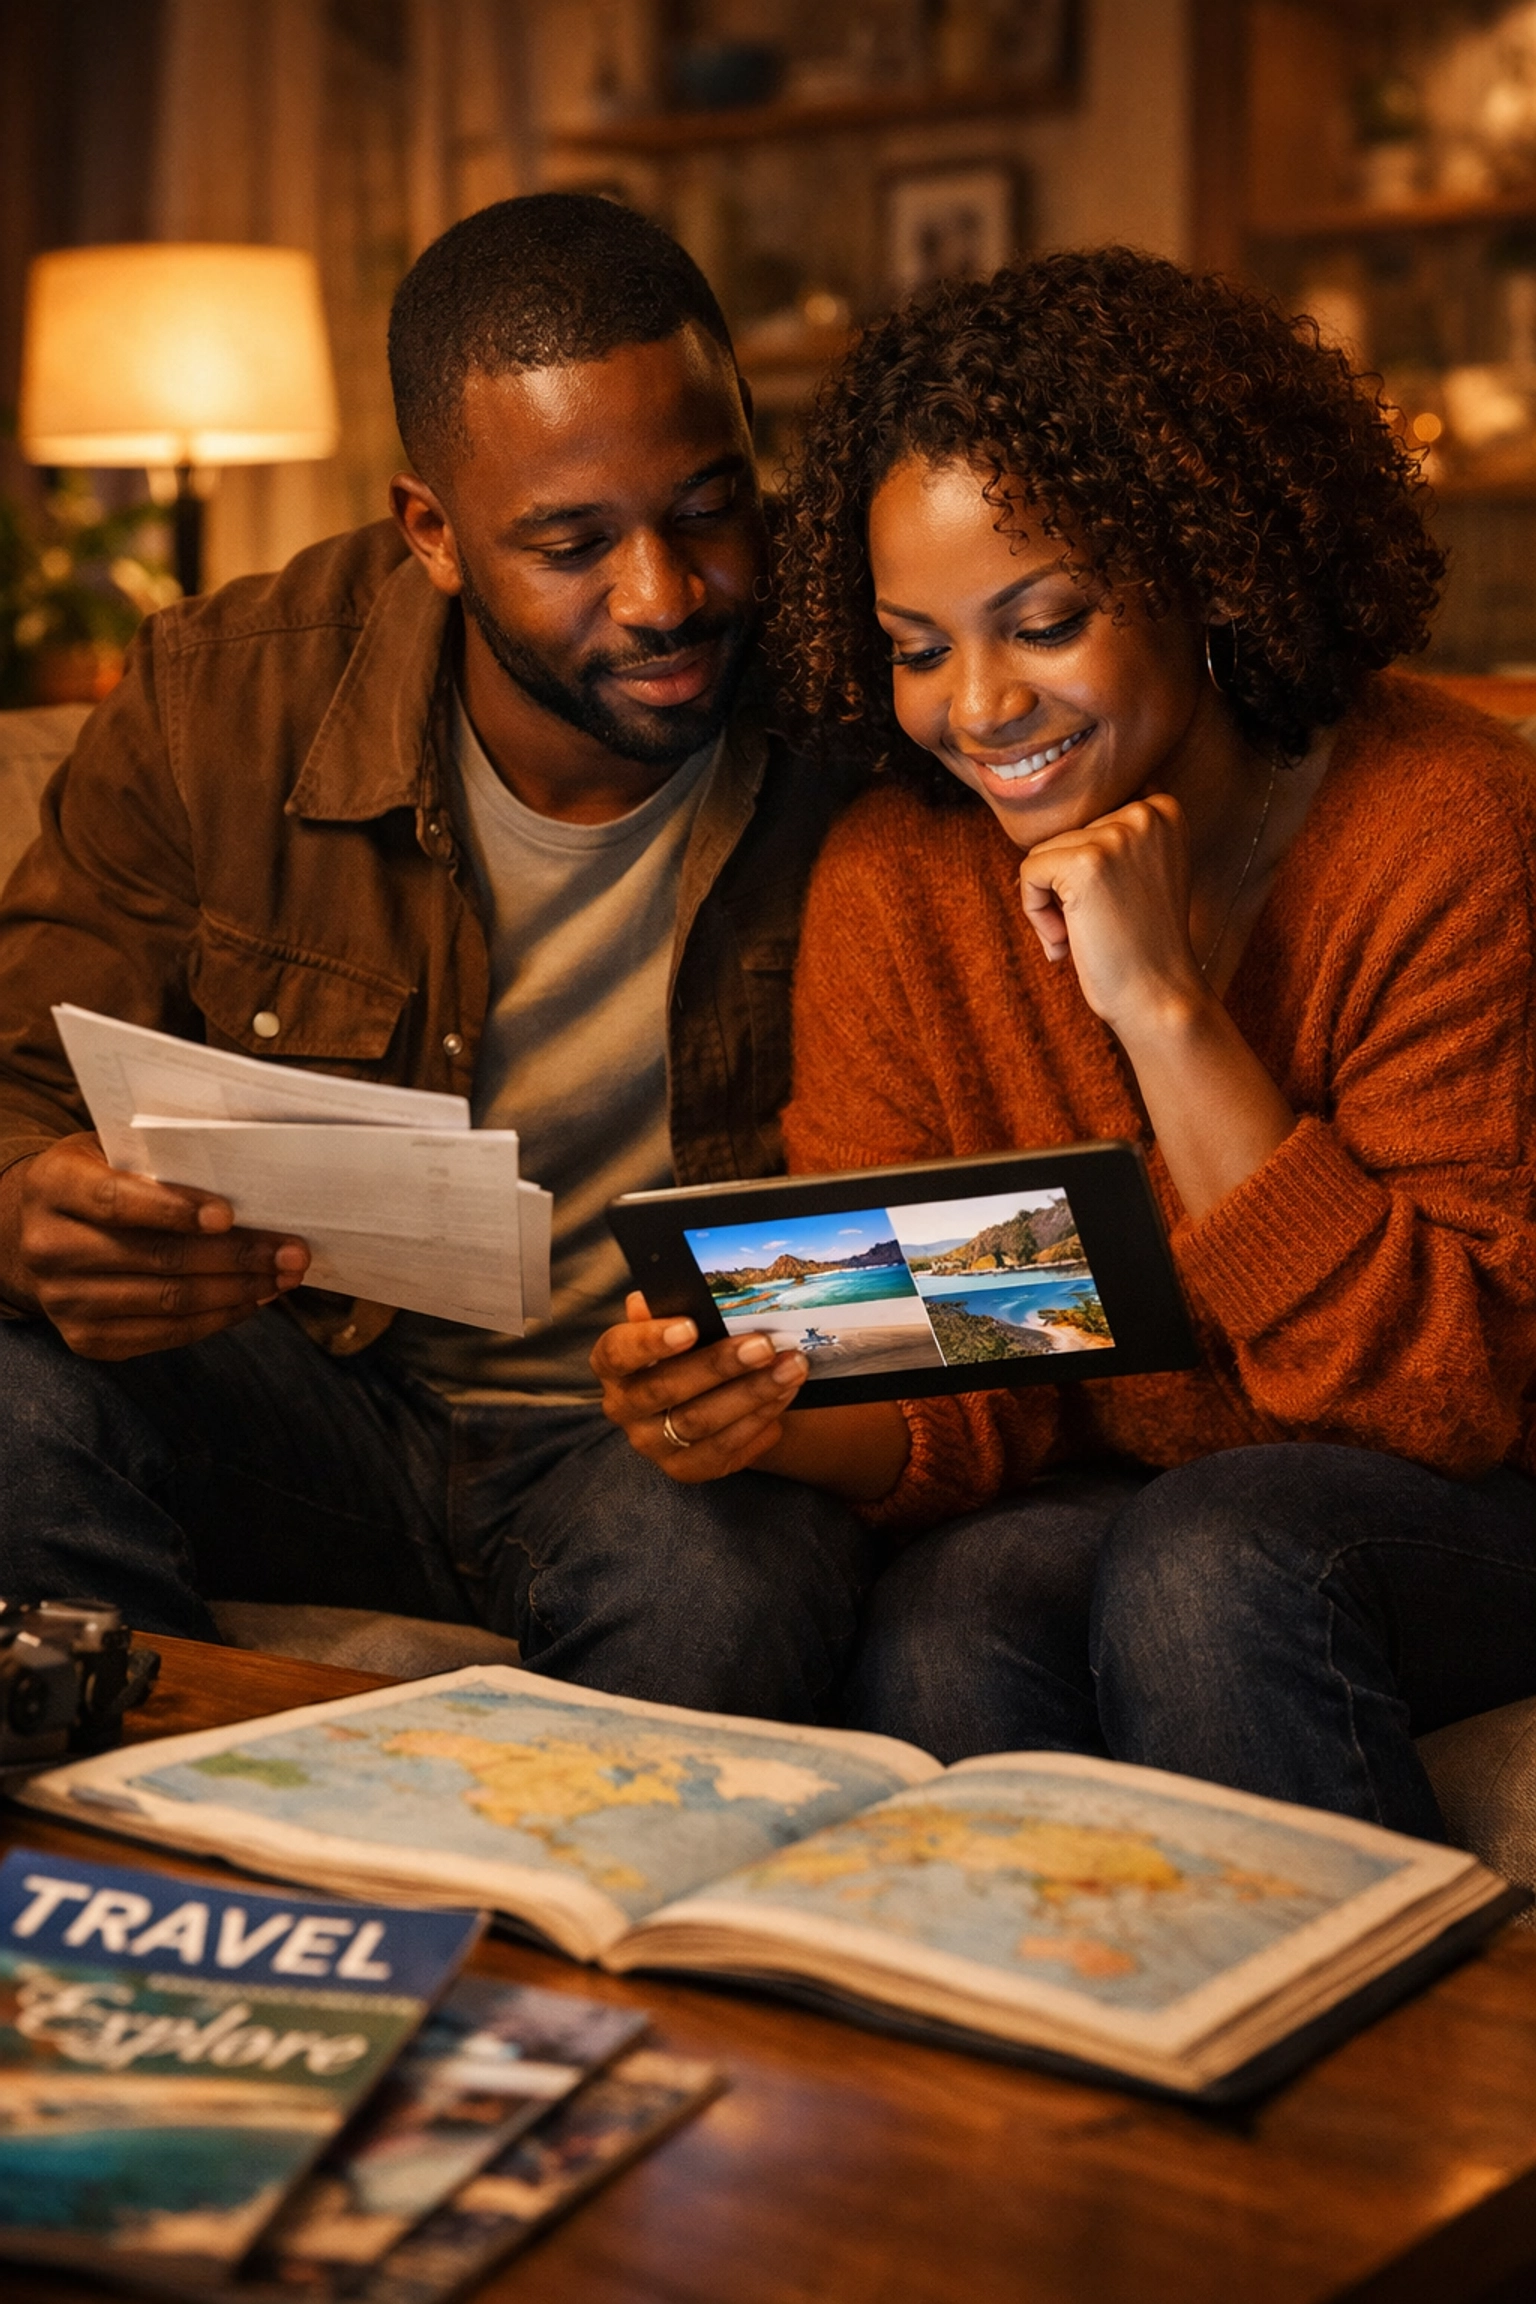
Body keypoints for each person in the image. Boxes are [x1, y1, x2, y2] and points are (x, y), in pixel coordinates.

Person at [594, 247, 1536, 1836]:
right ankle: (1050, 2075)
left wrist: (1160, 1005)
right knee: (956, 1612)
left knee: (1214, 1558)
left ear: (1206, 568)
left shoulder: (1440, 831)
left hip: (1476, 1495)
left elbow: (1446, 1397)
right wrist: (755, 1405)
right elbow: (972, 1375)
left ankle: (1346, 2077)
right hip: (1149, 1487)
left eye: (1044, 623)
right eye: (916, 646)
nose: (977, 708)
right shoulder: (906, 884)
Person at [0, 193, 870, 1718]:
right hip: (321, 1393)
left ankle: (568, 1948)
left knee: (731, 1566)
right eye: (572, 542)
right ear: (434, 534)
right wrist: (29, 1214)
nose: (664, 597)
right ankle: (159, 1868)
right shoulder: (221, 698)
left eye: (711, 507)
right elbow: (9, 1084)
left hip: (657, 1444)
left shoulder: (872, 684)